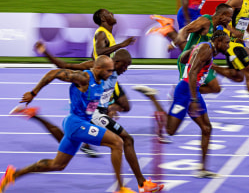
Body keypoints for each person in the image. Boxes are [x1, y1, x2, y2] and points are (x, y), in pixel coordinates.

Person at [11, 43, 163, 192]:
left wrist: (109, 109)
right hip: (77, 122)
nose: (112, 74)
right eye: (110, 71)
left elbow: (94, 103)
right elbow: (54, 73)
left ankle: (15, 174)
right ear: (99, 68)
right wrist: (33, 92)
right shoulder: (84, 78)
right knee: (118, 142)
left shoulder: (100, 80)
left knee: (57, 165)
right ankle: (122, 188)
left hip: (81, 121)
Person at [134, 30, 231, 179]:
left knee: (206, 128)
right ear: (218, 41)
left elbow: (183, 59)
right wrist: (193, 99)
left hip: (193, 90)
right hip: (185, 92)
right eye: (226, 42)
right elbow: (192, 73)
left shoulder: (205, 48)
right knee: (170, 130)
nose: (228, 45)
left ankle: (202, 169)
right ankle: (152, 96)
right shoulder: (206, 49)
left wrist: (191, 52)